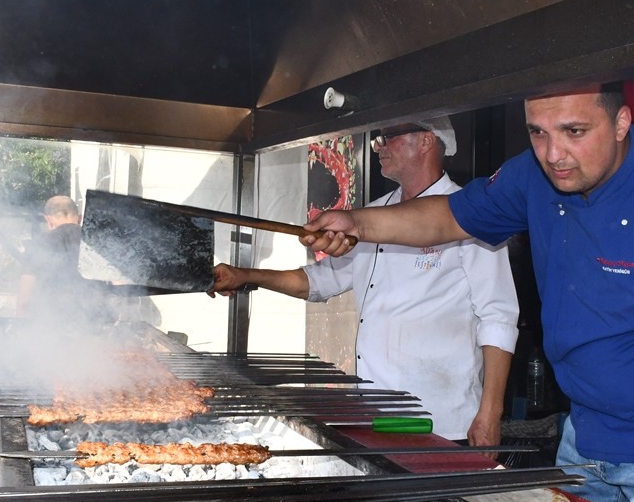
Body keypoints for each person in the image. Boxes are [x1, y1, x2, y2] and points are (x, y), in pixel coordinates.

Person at [303, 85, 634, 502]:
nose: (554, 153)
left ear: (622, 122)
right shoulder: (533, 177)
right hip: (583, 436)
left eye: (574, 131)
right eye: (538, 133)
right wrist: (357, 223)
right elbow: (448, 217)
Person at [210, 118, 519, 445]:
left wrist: (490, 413)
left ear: (427, 141)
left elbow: (498, 316)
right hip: (374, 412)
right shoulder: (373, 216)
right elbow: (319, 281)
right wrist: (244, 275)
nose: (377, 146)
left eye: (388, 137)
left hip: (439, 420)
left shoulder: (472, 215)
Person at [16, 195, 100, 326]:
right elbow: (119, 292)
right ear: (80, 218)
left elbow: (24, 300)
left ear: (48, 220)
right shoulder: (98, 243)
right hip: (93, 329)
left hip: (50, 329)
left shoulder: (37, 245)